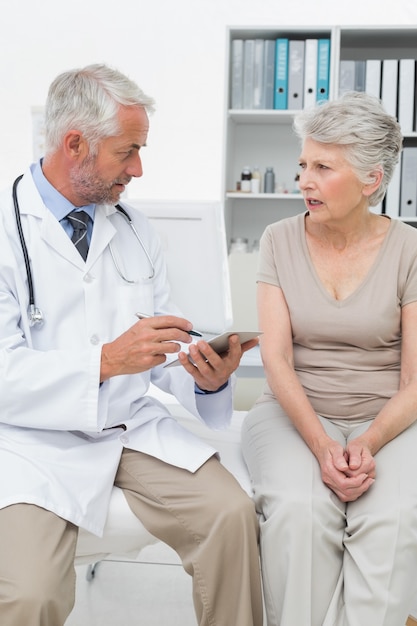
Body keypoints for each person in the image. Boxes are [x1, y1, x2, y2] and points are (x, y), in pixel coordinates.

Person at [0, 63, 263, 626]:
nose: (139, 169)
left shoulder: (137, 229)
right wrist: (103, 362)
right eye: (128, 151)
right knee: (30, 595)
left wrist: (203, 374)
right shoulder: (5, 228)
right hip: (29, 441)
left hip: (127, 426)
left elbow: (159, 349)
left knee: (231, 515)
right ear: (76, 144)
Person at [241, 91, 417, 626]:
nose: (304, 181)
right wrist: (322, 446)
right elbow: (276, 360)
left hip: (391, 418)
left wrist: (366, 441)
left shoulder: (410, 248)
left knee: (390, 518)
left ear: (372, 180)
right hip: (294, 413)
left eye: (323, 167)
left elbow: (416, 379)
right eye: (302, 165)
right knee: (300, 511)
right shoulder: (278, 239)